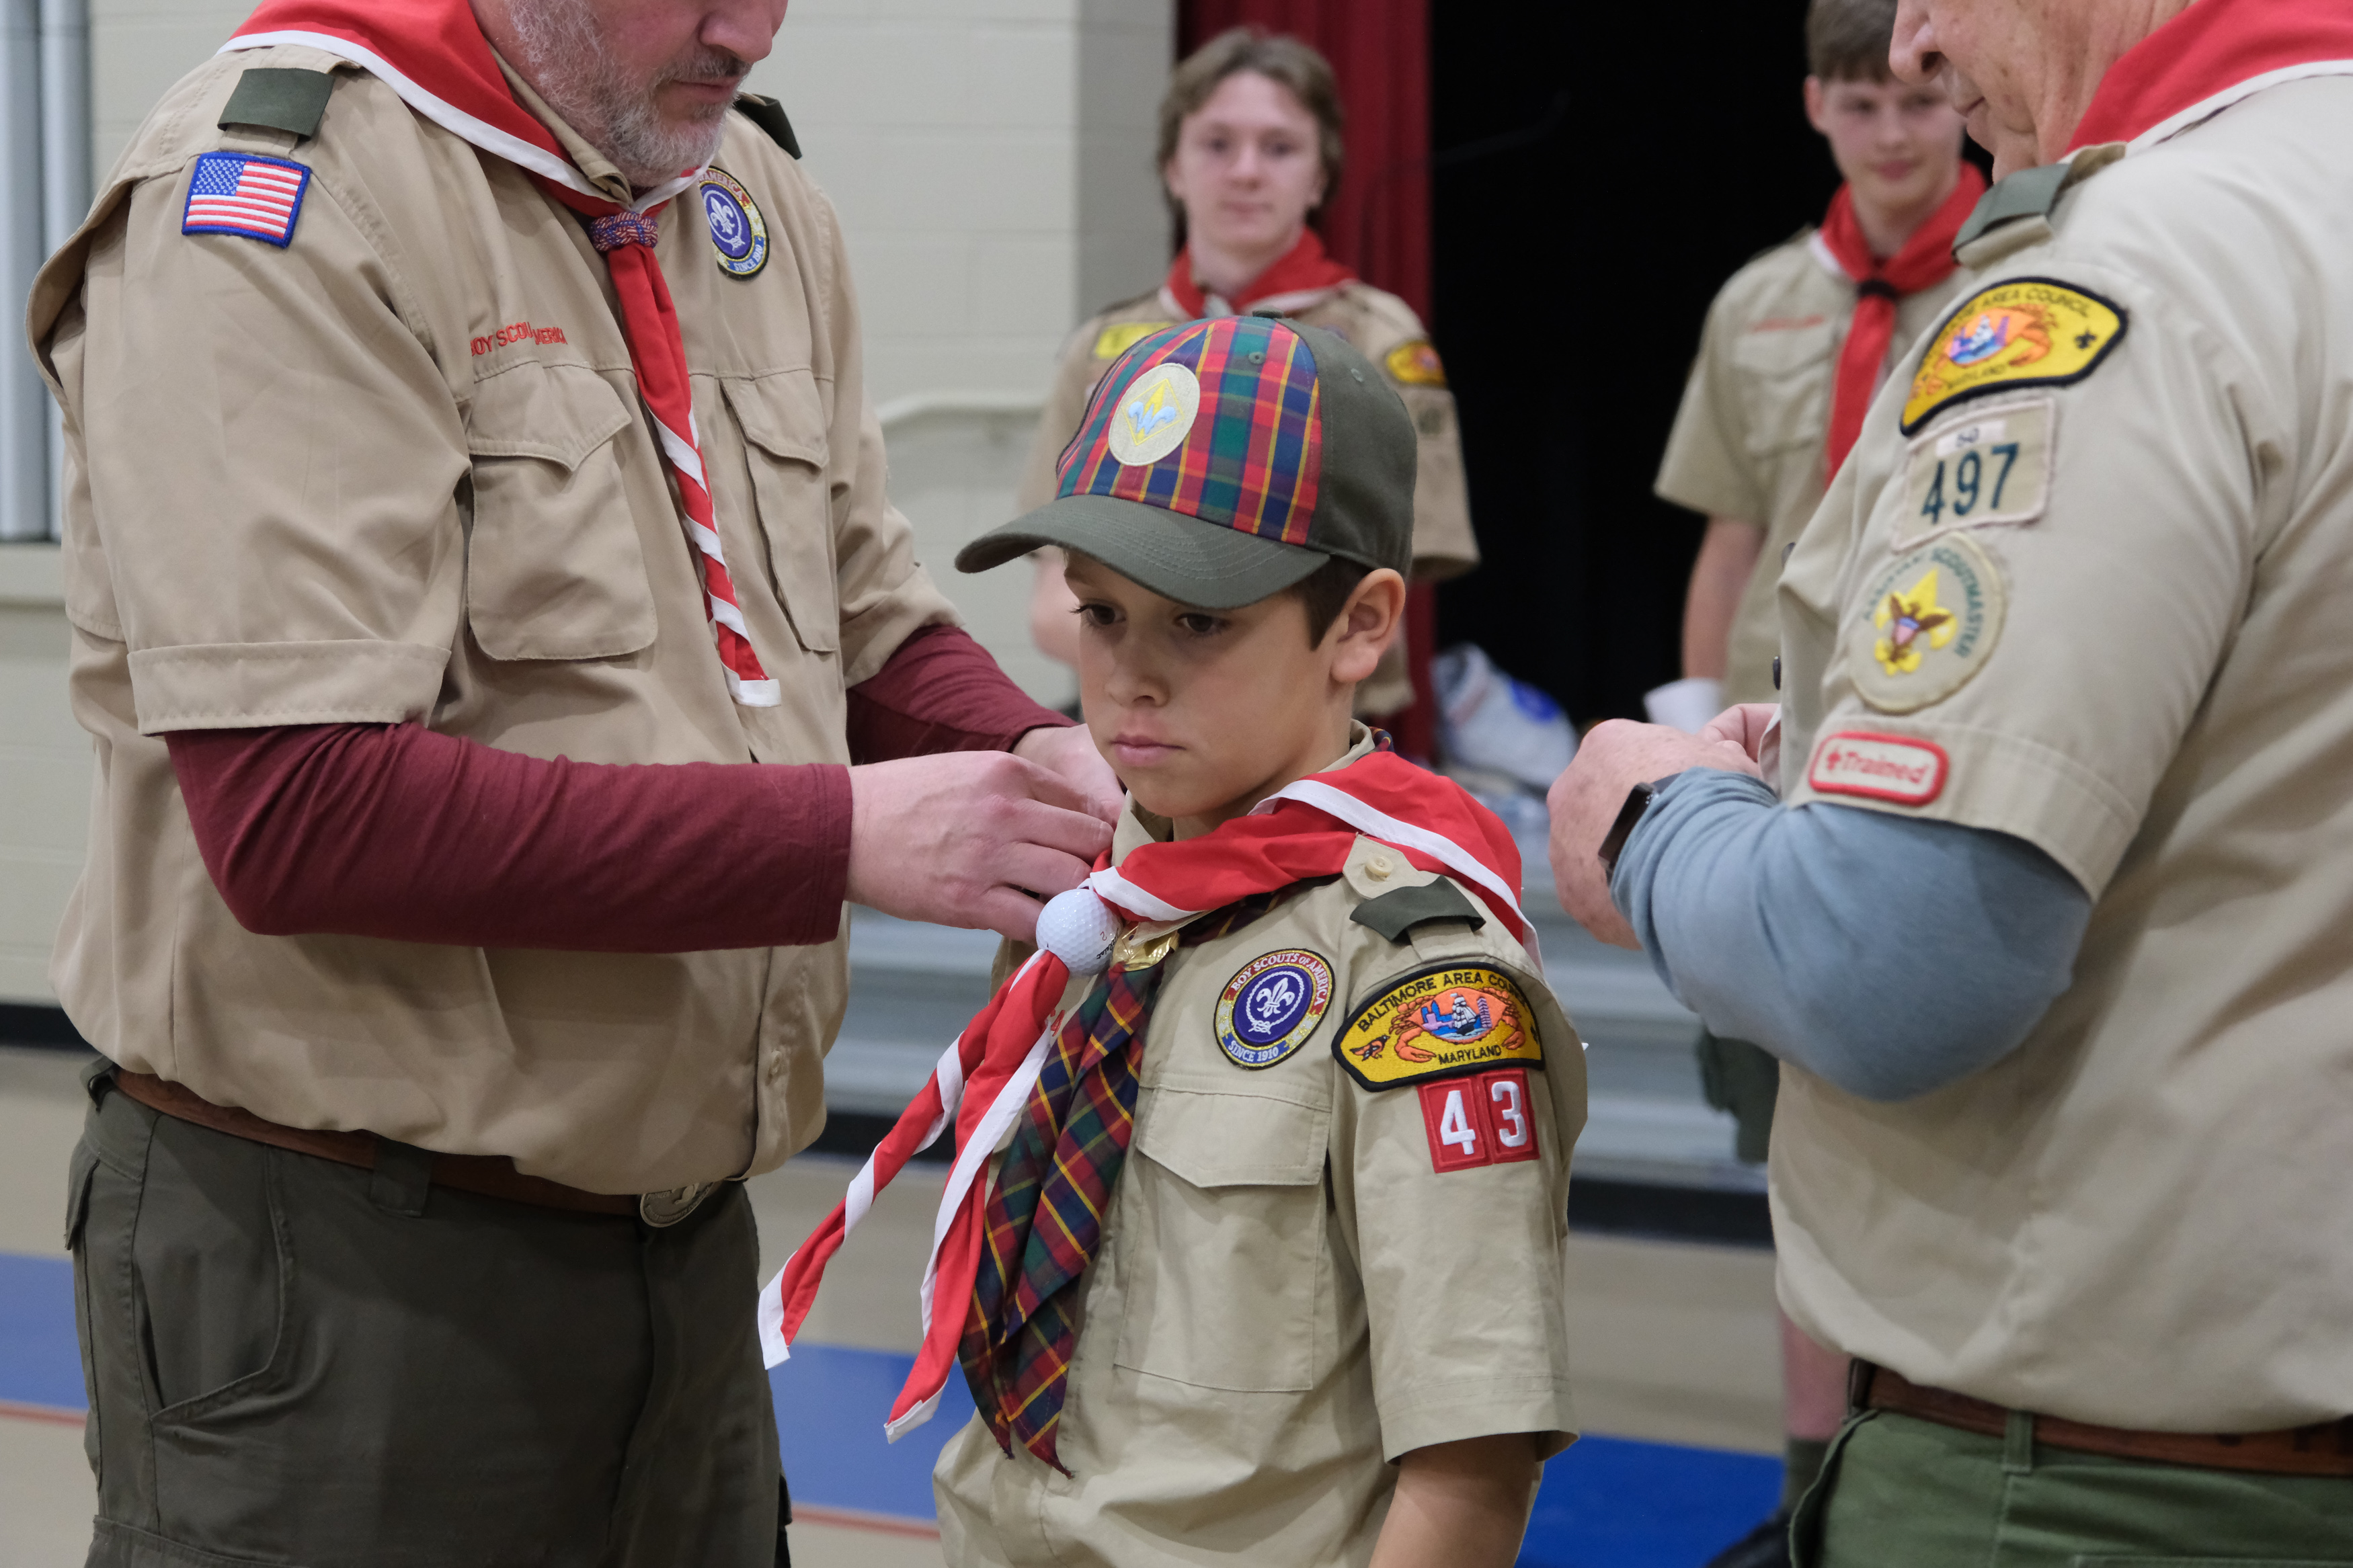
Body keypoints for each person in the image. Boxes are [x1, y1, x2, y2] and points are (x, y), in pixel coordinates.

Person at [22, 0, 1122, 1561]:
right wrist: (836, 835)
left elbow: (859, 610)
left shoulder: (737, 191)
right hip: (347, 1266)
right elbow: (297, 813)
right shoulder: (282, 203)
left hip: (683, 1249)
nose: (754, 27)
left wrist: (1026, 748)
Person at [1549, 0, 2353, 1561]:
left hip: (2113, 1491)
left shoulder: (2137, 273)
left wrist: (1646, 814)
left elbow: (1893, 956)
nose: (1913, 41)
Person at [767, 315, 1585, 1567]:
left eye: (1200, 622)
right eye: (1102, 612)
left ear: (1360, 625)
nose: (1130, 677)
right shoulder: (1102, 906)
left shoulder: (1419, 977)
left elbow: (1469, 1470)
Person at [1647, 2, 1978, 1559]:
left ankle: (1929, 1458)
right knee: (1788, 1137)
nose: (1892, 132)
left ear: (1957, 93)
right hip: (1774, 753)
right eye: (1860, 104)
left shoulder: (2036, 282)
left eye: (1916, 98)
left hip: (1938, 740)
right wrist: (1684, 721)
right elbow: (1730, 536)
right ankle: (1804, 1490)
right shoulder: (1761, 304)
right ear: (1813, 111)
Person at [1020, 27, 1477, 727]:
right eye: (1216, 144)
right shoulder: (1104, 351)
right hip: (1142, 724)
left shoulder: (1379, 345)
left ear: (1320, 175)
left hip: (1323, 737)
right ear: (1172, 167)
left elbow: (1383, 598)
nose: (1245, 172)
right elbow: (1054, 597)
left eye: (1279, 147)